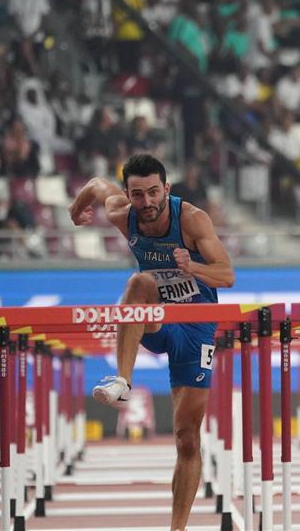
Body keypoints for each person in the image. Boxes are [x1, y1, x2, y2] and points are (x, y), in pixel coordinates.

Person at [68, 154, 234, 531]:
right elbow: (96, 185)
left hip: (196, 327)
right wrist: (75, 208)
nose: (147, 202)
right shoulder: (122, 213)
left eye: (154, 192)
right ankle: (122, 382)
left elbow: (227, 275)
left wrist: (192, 268)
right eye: (138, 194)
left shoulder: (192, 219)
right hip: (157, 319)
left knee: (186, 436)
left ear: (167, 189)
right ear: (128, 194)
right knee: (139, 283)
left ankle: (177, 528)